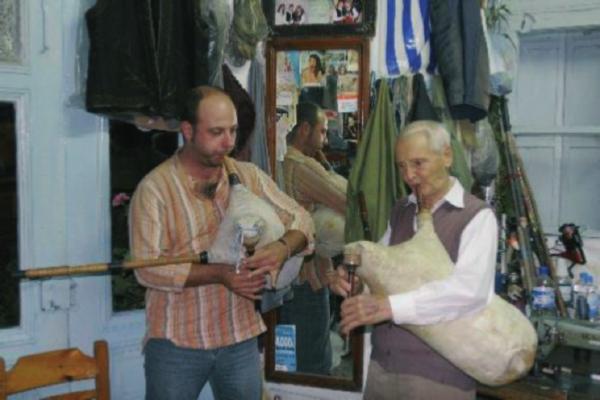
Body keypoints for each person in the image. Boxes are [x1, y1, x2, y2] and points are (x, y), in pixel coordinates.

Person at [129, 86, 314, 400]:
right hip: (177, 342)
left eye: (233, 130)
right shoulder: (155, 190)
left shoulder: (248, 176)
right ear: (188, 130)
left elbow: (303, 220)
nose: (228, 142)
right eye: (216, 132)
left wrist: (282, 248)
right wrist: (220, 274)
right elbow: (147, 269)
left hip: (239, 336)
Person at [330, 121, 497, 399]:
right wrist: (356, 284)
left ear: (447, 156)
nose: (409, 175)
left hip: (438, 380)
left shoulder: (476, 217)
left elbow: (470, 293)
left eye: (418, 163)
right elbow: (382, 273)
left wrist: (390, 307)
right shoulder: (402, 211)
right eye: (402, 166)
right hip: (383, 369)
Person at [280, 102, 347, 374]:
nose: (325, 139)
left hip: (289, 276)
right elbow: (347, 200)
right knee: (312, 362)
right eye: (322, 131)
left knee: (290, 357)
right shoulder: (301, 165)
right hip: (307, 278)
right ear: (304, 129)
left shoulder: (282, 159)